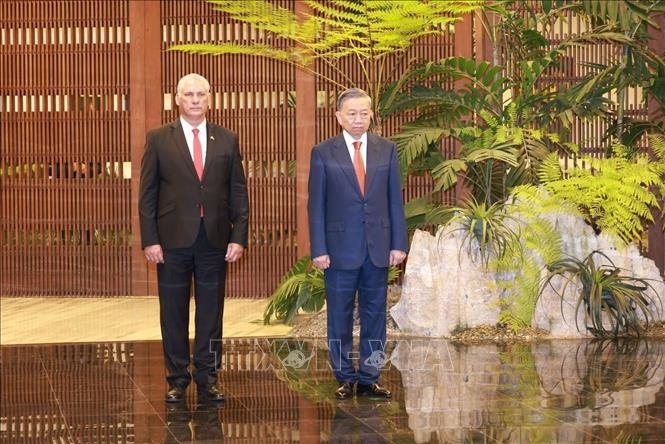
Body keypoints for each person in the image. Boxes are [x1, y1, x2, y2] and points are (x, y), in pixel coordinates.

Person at [139, 73, 250, 404]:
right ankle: (176, 379)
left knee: (211, 313)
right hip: (171, 241)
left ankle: (208, 377)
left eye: (201, 94)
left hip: (215, 241)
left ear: (210, 98)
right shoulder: (159, 139)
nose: (195, 100)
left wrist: (238, 237)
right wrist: (150, 240)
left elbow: (238, 192)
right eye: (189, 94)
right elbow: (147, 194)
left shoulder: (226, 139)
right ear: (177, 99)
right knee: (173, 312)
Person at [307, 88, 408, 400]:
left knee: (375, 315)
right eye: (351, 114)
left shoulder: (386, 150)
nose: (358, 119)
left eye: (364, 113)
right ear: (338, 116)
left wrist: (398, 244)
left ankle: (369, 377)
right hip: (338, 250)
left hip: (377, 247)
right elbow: (316, 205)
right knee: (338, 315)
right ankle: (344, 377)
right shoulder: (323, 152)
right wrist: (319, 249)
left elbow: (394, 200)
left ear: (371, 115)